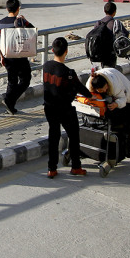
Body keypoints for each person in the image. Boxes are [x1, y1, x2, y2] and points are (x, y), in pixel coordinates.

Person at [42, 37, 87, 178]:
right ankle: (76, 166)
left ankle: (51, 168)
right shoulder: (68, 73)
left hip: (49, 108)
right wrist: (91, 94)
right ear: (66, 52)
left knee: (53, 137)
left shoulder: (46, 66)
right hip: (64, 109)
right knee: (73, 135)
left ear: (52, 50)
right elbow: (82, 89)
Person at [0, 0, 34, 115]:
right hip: (20, 55)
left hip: (7, 56)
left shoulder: (0, 23)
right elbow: (33, 32)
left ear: (7, 9)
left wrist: (2, 56)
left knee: (12, 81)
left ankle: (10, 106)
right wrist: (25, 21)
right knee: (25, 80)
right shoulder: (21, 22)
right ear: (18, 9)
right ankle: (9, 100)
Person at [91, 0, 129, 69]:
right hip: (111, 53)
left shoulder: (98, 23)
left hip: (99, 53)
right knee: (110, 72)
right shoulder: (116, 23)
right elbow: (125, 35)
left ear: (104, 11)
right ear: (114, 12)